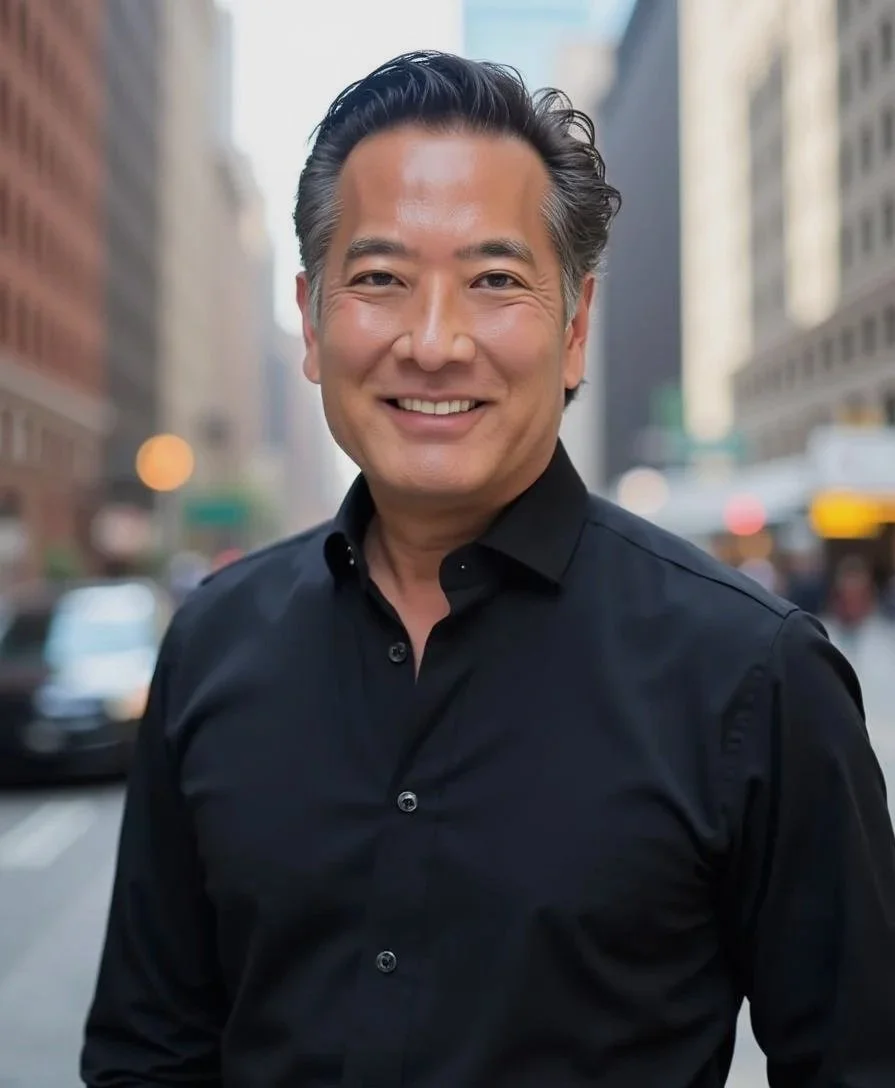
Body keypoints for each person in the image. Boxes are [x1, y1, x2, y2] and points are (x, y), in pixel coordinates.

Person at [81, 51, 895, 1088]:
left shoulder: (756, 673)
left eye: (495, 280)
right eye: (378, 278)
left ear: (575, 325)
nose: (432, 340)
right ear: (313, 318)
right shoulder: (210, 641)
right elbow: (149, 1048)